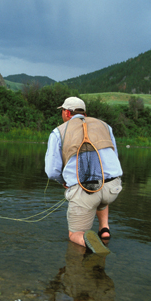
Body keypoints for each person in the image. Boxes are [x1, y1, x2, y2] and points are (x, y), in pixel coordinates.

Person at [45, 97, 123, 254]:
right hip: (113, 188)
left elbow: (52, 171)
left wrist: (64, 182)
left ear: (67, 113)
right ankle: (104, 229)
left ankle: (90, 245)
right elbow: (115, 155)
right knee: (100, 193)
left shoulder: (58, 132)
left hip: (86, 191)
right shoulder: (105, 126)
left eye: (62, 111)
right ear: (84, 113)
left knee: (75, 234)